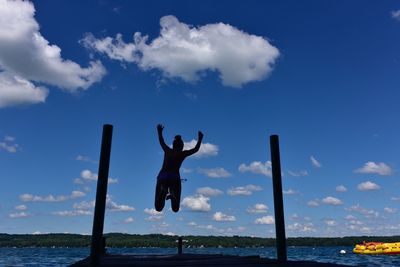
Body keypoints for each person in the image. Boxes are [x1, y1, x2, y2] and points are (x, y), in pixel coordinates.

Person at [155, 124, 203, 212]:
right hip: (174, 177)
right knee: (175, 208)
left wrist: (159, 132)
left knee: (158, 208)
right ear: (182, 146)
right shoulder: (183, 154)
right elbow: (195, 149)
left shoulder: (168, 150)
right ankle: (173, 194)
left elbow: (161, 141)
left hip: (162, 176)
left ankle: (163, 191)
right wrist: (200, 139)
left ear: (173, 145)